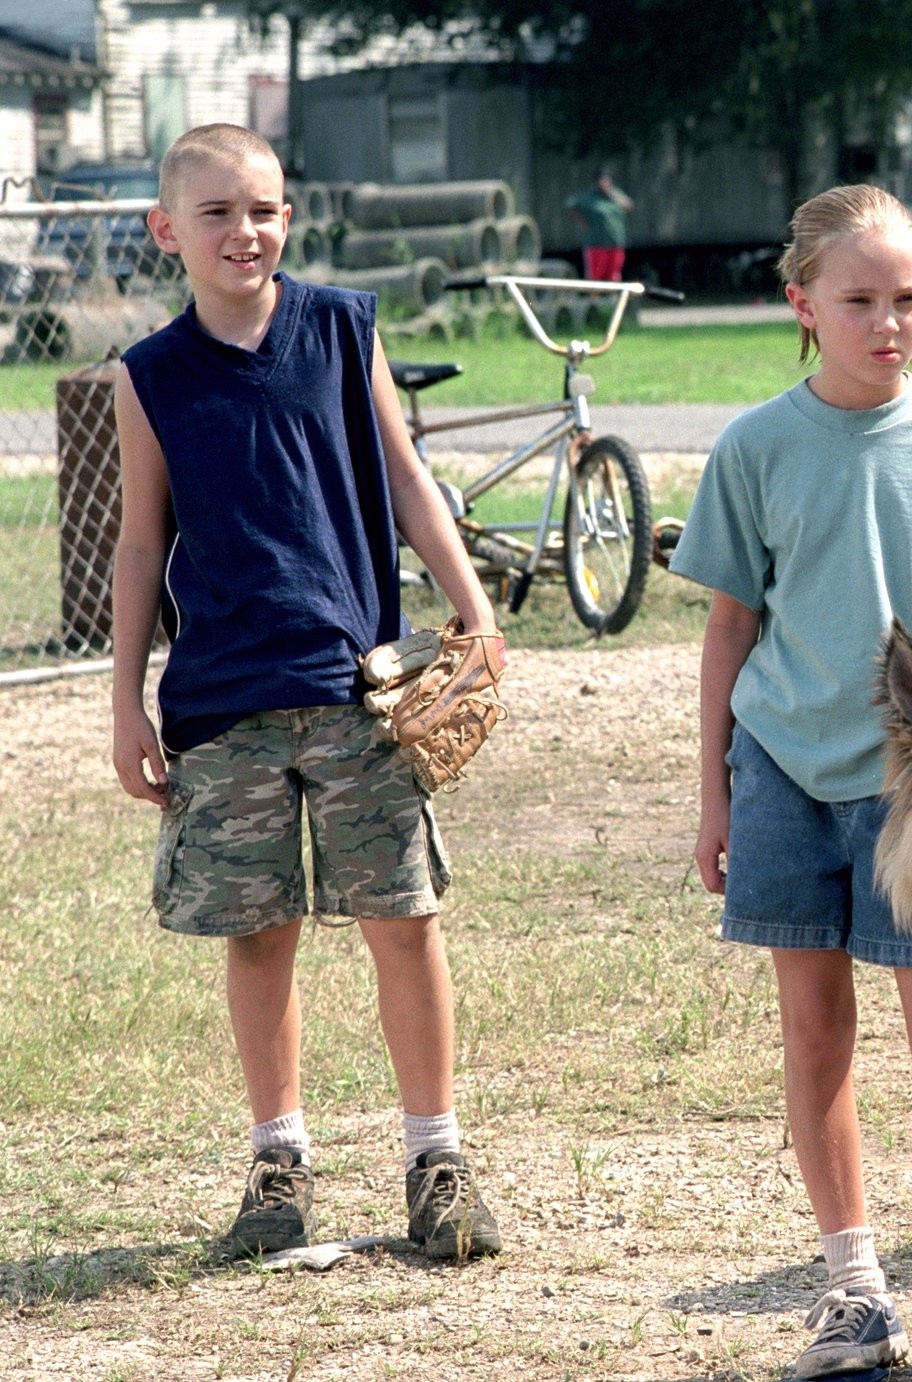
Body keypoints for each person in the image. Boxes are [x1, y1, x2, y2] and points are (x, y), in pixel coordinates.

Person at [668, 184, 912, 1377]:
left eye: (908, 297)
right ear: (801, 305)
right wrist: (715, 791)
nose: (887, 322)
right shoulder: (754, 446)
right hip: (783, 770)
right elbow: (729, 631)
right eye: (858, 301)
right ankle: (852, 1289)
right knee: (813, 1031)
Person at [109, 123, 504, 1262]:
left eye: (266, 209)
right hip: (223, 699)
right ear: (166, 229)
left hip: (355, 687)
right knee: (259, 931)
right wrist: (126, 698)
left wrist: (471, 608)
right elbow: (142, 546)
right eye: (220, 212)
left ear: (291, 216)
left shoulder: (338, 328)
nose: (247, 231)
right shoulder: (149, 377)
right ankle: (277, 1168)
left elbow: (405, 477)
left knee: (403, 917)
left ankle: (438, 1160)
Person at [564, 172, 633, 282]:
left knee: (614, 275)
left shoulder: (616, 194)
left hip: (615, 241)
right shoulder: (590, 197)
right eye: (601, 181)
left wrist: (613, 195)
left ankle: (613, 298)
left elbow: (629, 206)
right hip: (596, 243)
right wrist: (582, 222)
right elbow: (570, 205)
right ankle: (594, 299)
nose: (604, 184)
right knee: (595, 275)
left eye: (606, 181)